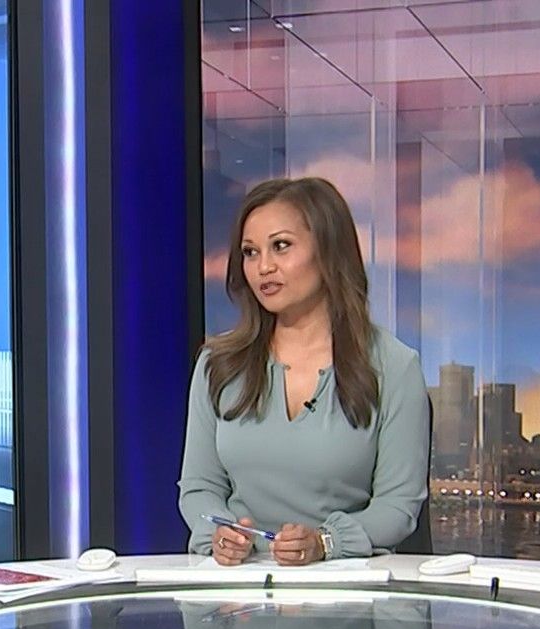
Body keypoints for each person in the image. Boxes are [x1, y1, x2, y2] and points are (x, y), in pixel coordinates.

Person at [178, 177, 429, 565]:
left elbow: (398, 506)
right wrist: (220, 534)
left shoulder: (393, 367)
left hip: (343, 585)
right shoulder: (218, 365)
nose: (263, 267)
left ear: (328, 250)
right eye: (250, 252)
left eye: (281, 246)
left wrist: (326, 543)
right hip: (237, 586)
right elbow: (199, 486)